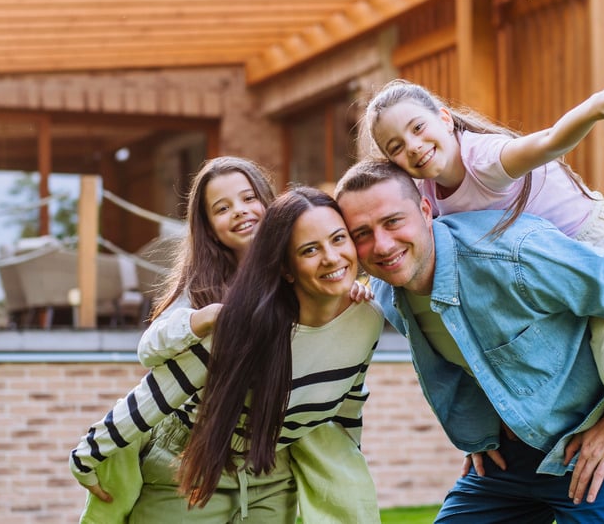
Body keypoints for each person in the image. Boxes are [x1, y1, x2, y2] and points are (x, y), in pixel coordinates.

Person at [361, 55, 604, 439]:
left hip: (596, 246)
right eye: (397, 147)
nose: (413, 146)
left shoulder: (485, 160)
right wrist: (361, 286)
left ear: (444, 119)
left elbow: (548, 142)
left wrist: (593, 110)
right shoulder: (425, 194)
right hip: (554, 273)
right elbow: (402, 240)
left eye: (418, 128)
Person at [334, 159, 604, 522]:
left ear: (426, 211)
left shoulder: (515, 255)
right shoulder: (387, 294)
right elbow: (465, 357)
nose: (382, 245)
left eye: (393, 221)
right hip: (512, 452)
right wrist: (478, 432)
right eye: (361, 233)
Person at [72, 164, 382, 522]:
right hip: (194, 455)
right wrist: (89, 454)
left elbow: (348, 400)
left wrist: (339, 290)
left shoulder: (362, 316)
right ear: (285, 264)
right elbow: (158, 382)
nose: (240, 211)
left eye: (249, 198)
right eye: (222, 207)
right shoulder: (222, 306)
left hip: (270, 464)